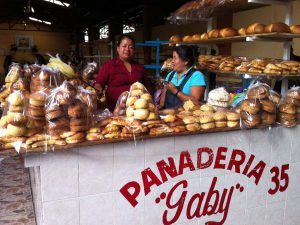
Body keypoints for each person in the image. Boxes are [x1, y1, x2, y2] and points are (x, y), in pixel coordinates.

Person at [95, 34, 150, 111]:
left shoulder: (139, 67)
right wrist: (98, 89)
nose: (127, 49)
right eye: (124, 46)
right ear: (118, 48)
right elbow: (99, 83)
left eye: (131, 47)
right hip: (114, 110)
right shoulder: (109, 65)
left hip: (136, 110)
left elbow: (147, 87)